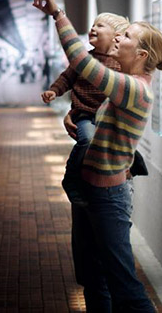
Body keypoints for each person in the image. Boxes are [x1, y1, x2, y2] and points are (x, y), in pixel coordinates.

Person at [32, 0, 162, 313]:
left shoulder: (133, 88)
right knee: (95, 276)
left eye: (126, 37)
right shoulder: (126, 85)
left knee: (125, 286)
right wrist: (74, 114)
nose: (118, 38)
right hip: (94, 189)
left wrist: (58, 15)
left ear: (140, 55)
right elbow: (100, 117)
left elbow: (82, 63)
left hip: (107, 196)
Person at [41, 13, 129, 207]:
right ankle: (71, 178)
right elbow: (66, 78)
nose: (93, 28)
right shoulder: (83, 61)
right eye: (93, 25)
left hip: (109, 120)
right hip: (85, 115)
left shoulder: (121, 64)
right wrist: (54, 91)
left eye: (100, 26)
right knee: (88, 140)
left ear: (116, 36)